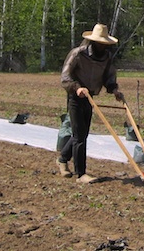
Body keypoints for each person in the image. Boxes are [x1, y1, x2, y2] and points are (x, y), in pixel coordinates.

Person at [58, 23, 124, 184]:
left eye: (104, 43)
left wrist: (114, 90)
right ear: (93, 41)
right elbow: (65, 77)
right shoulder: (78, 54)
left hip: (90, 97)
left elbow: (109, 77)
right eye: (100, 42)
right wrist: (77, 88)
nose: (102, 46)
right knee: (80, 135)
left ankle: (62, 159)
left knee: (81, 134)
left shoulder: (107, 58)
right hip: (75, 96)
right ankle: (81, 174)